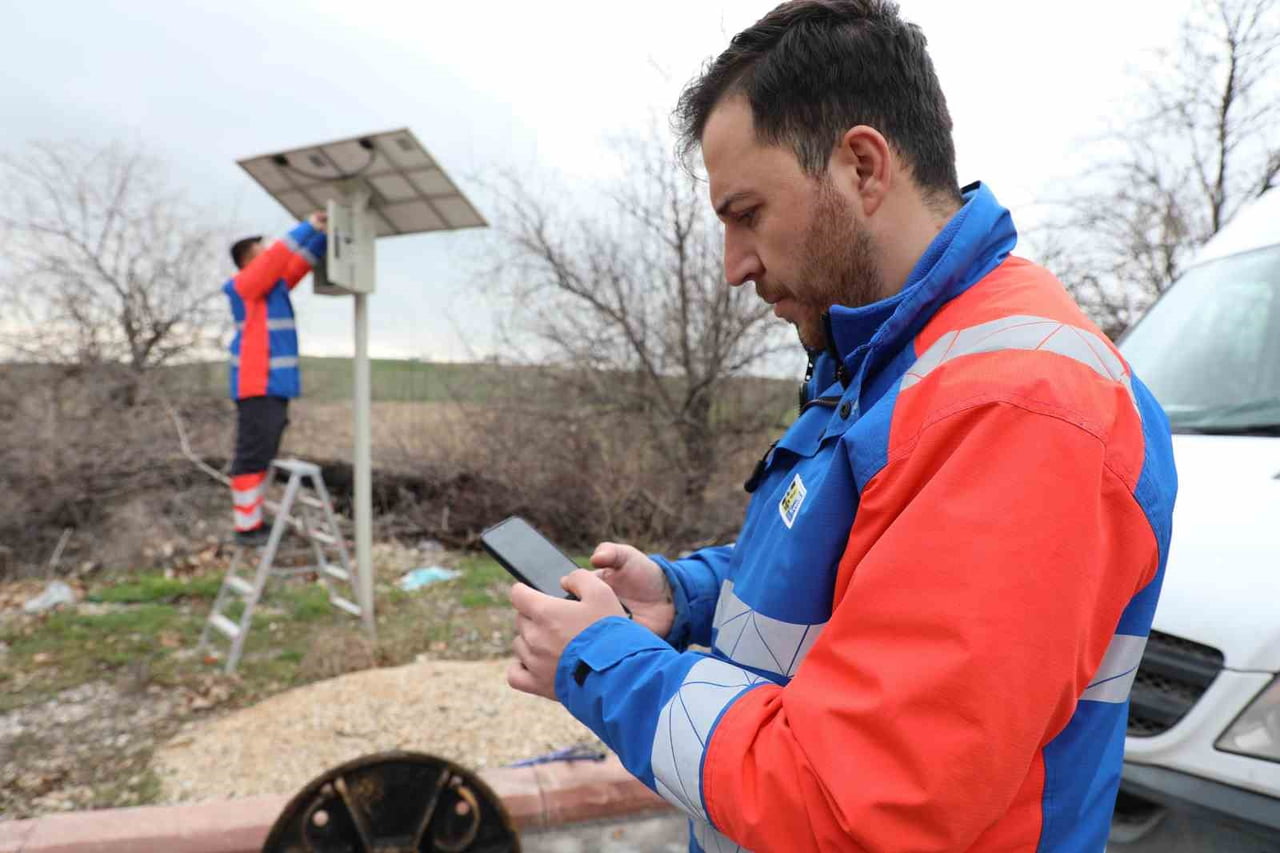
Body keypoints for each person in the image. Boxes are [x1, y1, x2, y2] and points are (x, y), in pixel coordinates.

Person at [505, 1, 1178, 851]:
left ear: (863, 167)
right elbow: (857, 580)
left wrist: (602, 660)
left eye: (746, 213)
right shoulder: (880, 359)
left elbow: (855, 799)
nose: (732, 267)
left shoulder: (1017, 405)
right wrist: (686, 599)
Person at [223, 212, 327, 547]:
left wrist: (324, 234)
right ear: (247, 260)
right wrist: (309, 224)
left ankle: (252, 523)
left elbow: (298, 261)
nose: (268, 251)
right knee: (251, 455)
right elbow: (279, 257)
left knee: (262, 453)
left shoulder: (272, 289)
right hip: (258, 386)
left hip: (274, 386)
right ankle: (247, 528)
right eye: (260, 249)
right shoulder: (245, 286)